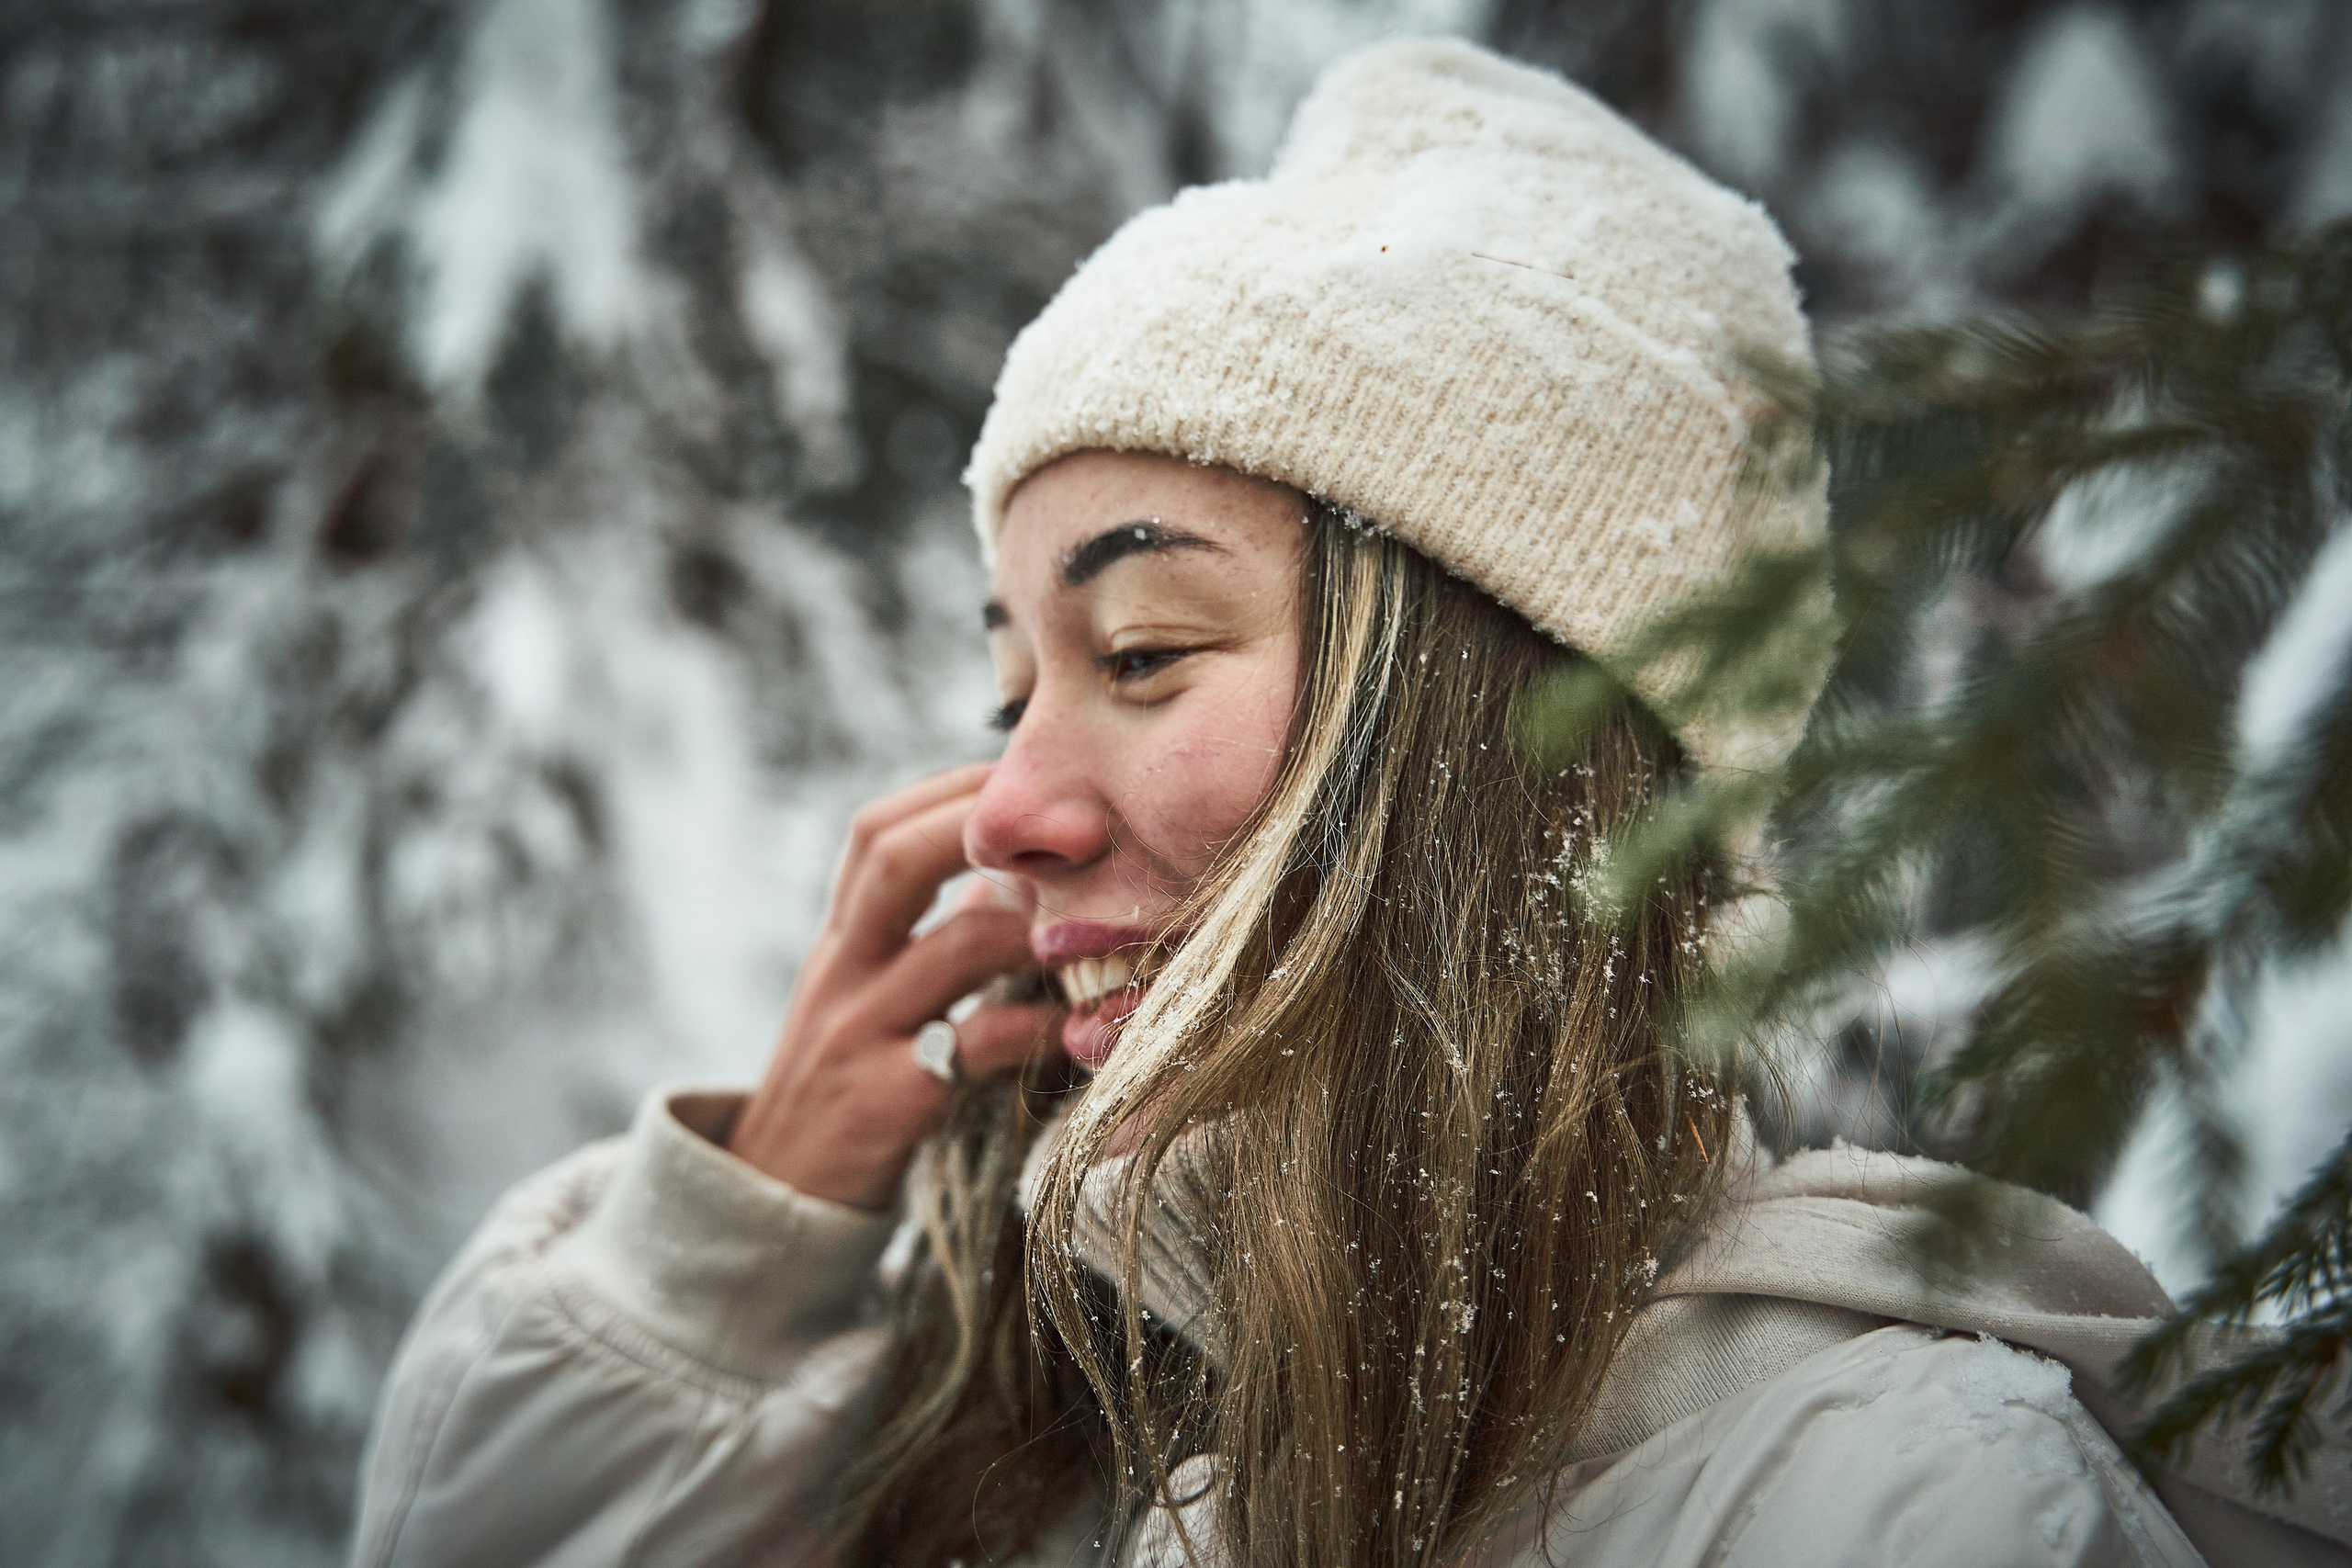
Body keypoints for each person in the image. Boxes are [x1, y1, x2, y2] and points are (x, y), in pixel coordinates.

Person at [349, 39, 2348, 1568]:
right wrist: (734, 1252)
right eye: (1005, 682)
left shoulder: (1877, 1491)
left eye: (1138, 650)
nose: (1005, 802)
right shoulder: (1053, 1420)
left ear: (1506, 736)